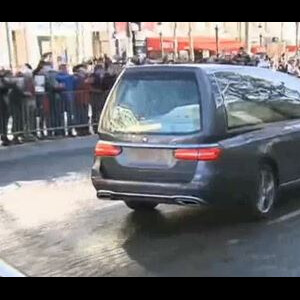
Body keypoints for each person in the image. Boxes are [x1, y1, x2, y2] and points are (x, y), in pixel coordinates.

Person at [56, 64, 77, 137]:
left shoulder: (58, 77)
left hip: (63, 97)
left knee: (64, 115)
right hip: (68, 97)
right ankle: (69, 130)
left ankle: (65, 130)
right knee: (69, 115)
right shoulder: (69, 77)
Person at [0, 70, 12, 146]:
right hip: (2, 104)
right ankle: (4, 137)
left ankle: (4, 136)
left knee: (4, 121)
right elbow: (4, 89)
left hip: (4, 104)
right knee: (3, 121)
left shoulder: (3, 80)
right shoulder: (2, 81)